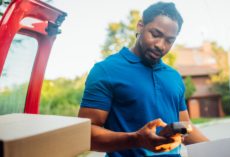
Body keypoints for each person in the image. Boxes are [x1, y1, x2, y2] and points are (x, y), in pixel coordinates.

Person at [78, 2, 209, 157]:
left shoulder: (174, 76)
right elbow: (84, 135)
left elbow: (184, 126)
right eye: (155, 34)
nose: (161, 45)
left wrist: (220, 150)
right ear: (140, 26)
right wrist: (136, 140)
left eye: (169, 40)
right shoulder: (105, 70)